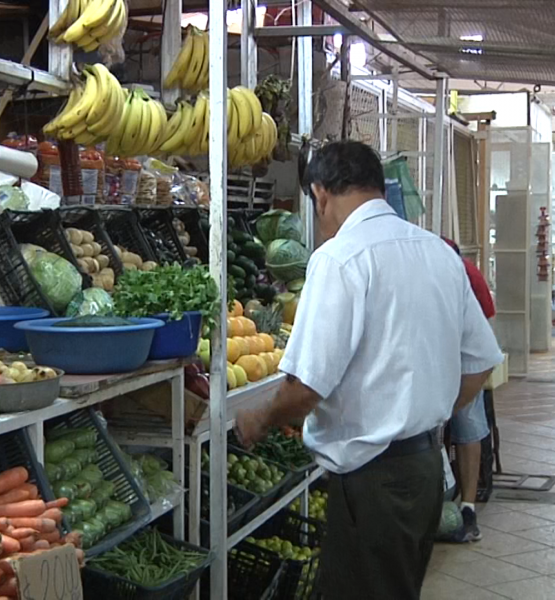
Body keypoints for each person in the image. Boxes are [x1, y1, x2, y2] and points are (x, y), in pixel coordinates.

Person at [236, 141, 504, 600]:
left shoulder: (340, 259)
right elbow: (479, 364)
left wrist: (258, 419)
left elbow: (305, 388)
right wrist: (427, 411)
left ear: (320, 194)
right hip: (424, 471)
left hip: (373, 483)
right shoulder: (439, 253)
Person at [441, 237, 496, 543]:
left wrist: (461, 396)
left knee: (466, 421)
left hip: (466, 355)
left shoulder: (468, 275)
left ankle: (468, 508)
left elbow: (486, 324)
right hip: (435, 354)